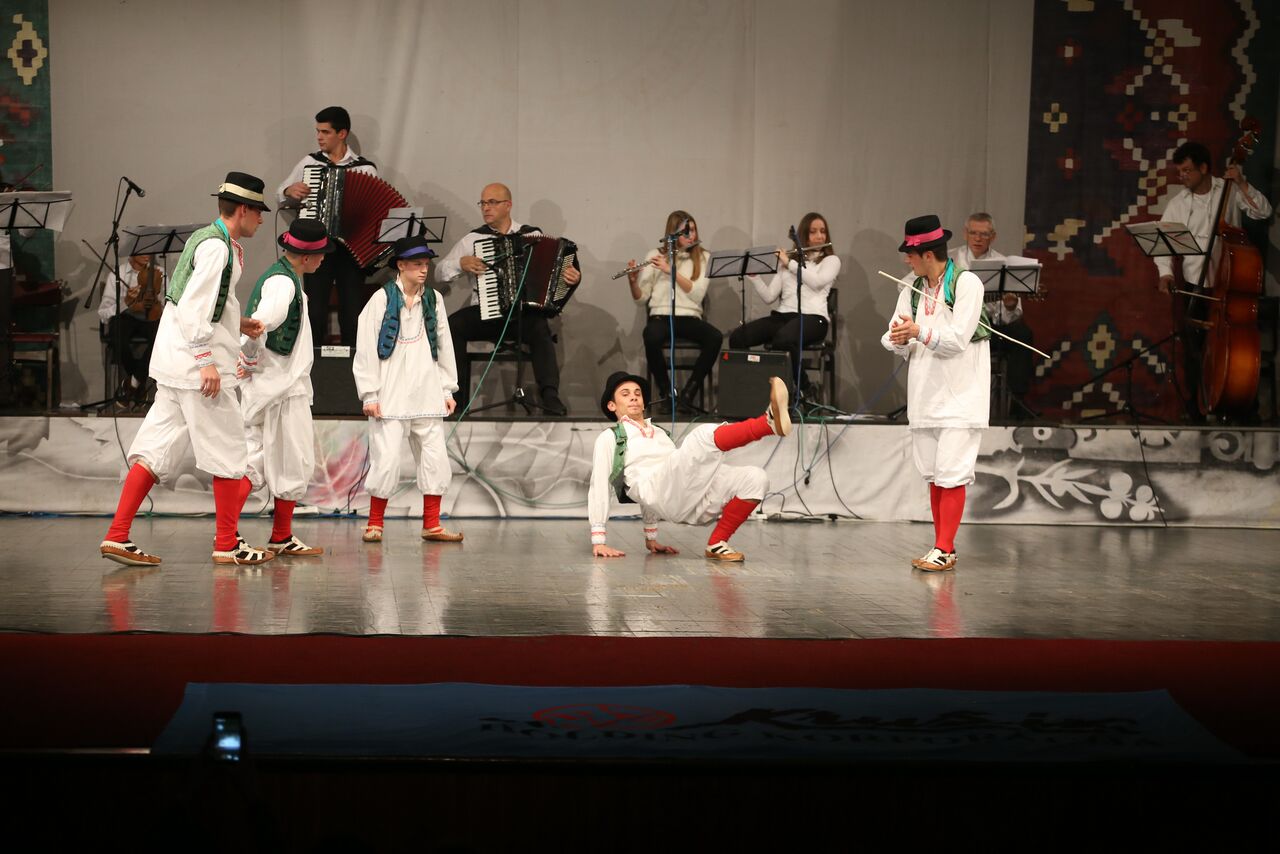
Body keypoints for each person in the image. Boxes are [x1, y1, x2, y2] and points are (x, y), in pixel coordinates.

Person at [99, 172, 274, 567]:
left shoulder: (206, 238)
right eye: (258, 210)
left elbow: (204, 304)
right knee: (229, 451)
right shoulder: (216, 248)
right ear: (242, 210)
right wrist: (205, 360)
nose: (261, 218)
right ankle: (227, 543)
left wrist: (237, 322)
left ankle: (117, 534)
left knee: (156, 449)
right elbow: (195, 307)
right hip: (197, 370)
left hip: (174, 365)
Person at [880, 214, 991, 573]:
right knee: (934, 474)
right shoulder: (910, 290)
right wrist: (899, 338)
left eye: (910, 254)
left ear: (927, 254)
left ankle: (943, 548)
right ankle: (944, 547)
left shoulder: (967, 284)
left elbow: (957, 339)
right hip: (925, 395)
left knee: (952, 473)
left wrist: (917, 332)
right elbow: (895, 336)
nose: (906, 261)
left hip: (961, 396)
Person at [588, 371, 790, 562]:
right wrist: (599, 541)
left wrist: (651, 538)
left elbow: (671, 473)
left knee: (756, 478)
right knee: (700, 437)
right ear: (612, 405)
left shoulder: (659, 433)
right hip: (662, 494)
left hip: (687, 498)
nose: (633, 397)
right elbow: (601, 485)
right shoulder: (609, 437)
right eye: (625, 394)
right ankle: (766, 424)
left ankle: (716, 543)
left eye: (637, 393)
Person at [435, 182, 580, 416]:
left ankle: (550, 396)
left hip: (523, 315)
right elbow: (439, 272)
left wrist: (570, 277)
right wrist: (460, 263)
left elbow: (556, 273)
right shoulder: (473, 239)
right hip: (485, 314)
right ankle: (456, 399)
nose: (486, 208)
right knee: (453, 326)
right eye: (483, 203)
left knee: (541, 328)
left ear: (508, 205)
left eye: (492, 202)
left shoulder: (532, 235)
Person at [354, 235, 462, 544]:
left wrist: (447, 389)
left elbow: (444, 345)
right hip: (391, 391)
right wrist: (370, 393)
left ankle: (432, 523)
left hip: (426, 389)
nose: (424, 269)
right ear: (401, 265)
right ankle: (375, 523)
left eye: (426, 263)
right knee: (386, 458)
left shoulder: (434, 299)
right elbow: (366, 347)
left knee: (434, 457)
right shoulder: (382, 299)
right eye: (417, 264)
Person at [237, 219, 333, 557]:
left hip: (277, 385)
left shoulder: (287, 279)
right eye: (320, 253)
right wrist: (248, 358)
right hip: (279, 387)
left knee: (270, 460)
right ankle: (230, 536)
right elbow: (258, 325)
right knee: (279, 460)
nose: (323, 259)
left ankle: (279, 536)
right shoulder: (282, 283)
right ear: (306, 257)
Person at [277, 106, 378, 346]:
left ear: (342, 134)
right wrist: (289, 190)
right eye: (318, 131)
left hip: (352, 250)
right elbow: (280, 193)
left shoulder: (365, 168)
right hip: (316, 249)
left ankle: (352, 363)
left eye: (325, 132)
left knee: (352, 314)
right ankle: (312, 362)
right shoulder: (310, 162)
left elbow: (375, 213)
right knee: (315, 311)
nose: (319, 137)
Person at [728, 212, 838, 397]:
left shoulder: (831, 261)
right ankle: (756, 387)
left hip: (814, 318)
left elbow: (817, 282)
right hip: (783, 317)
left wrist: (790, 264)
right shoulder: (788, 262)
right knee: (738, 338)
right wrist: (755, 278)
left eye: (823, 231)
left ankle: (805, 388)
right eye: (813, 232)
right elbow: (769, 296)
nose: (820, 236)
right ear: (803, 235)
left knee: (784, 339)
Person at [626, 210, 721, 412]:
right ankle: (667, 394)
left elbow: (697, 294)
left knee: (714, 337)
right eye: (686, 231)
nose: (691, 236)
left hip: (689, 317)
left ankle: (688, 395)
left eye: (693, 230)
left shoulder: (704, 257)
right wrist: (633, 283)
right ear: (673, 233)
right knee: (650, 335)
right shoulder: (655, 256)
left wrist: (671, 271)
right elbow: (641, 299)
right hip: (661, 316)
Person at [948, 212, 1033, 411]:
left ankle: (1017, 403)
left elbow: (1010, 317)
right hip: (956, 328)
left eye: (984, 234)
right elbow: (909, 284)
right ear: (965, 234)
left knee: (1023, 334)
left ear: (993, 237)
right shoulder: (950, 260)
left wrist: (1010, 307)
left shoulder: (1004, 265)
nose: (978, 238)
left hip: (991, 329)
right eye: (973, 233)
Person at [97, 254, 165, 409]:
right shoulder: (117, 274)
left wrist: (157, 302)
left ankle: (132, 384)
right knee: (117, 335)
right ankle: (138, 385)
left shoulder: (160, 273)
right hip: (126, 317)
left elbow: (168, 304)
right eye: (143, 251)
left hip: (151, 317)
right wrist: (126, 302)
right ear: (133, 252)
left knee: (161, 340)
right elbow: (104, 313)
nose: (148, 254)